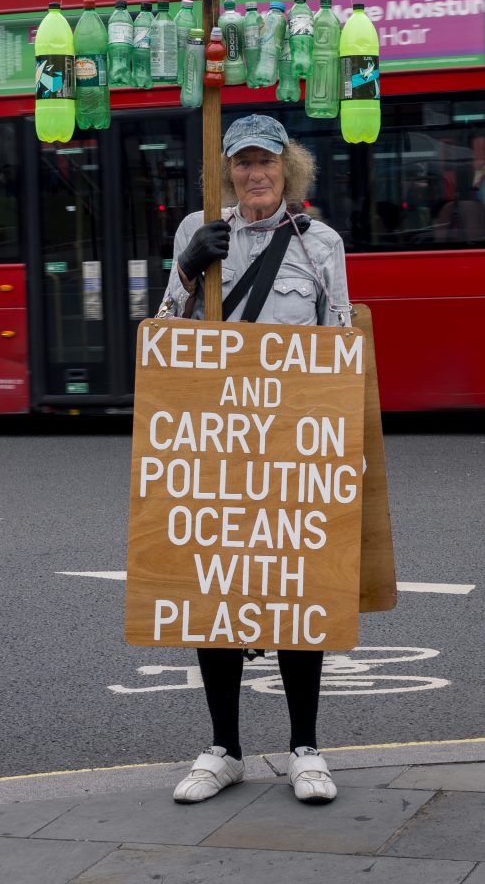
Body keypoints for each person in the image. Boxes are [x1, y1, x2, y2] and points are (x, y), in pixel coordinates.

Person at [156, 113, 350, 808]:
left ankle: (305, 747)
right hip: (216, 443)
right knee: (217, 597)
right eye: (242, 163)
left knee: (298, 594)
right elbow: (164, 339)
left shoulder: (321, 243)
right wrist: (187, 269)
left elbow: (341, 348)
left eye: (266, 162)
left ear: (287, 168)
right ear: (228, 171)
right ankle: (224, 749)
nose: (255, 174)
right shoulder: (194, 231)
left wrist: (342, 450)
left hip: (293, 445)